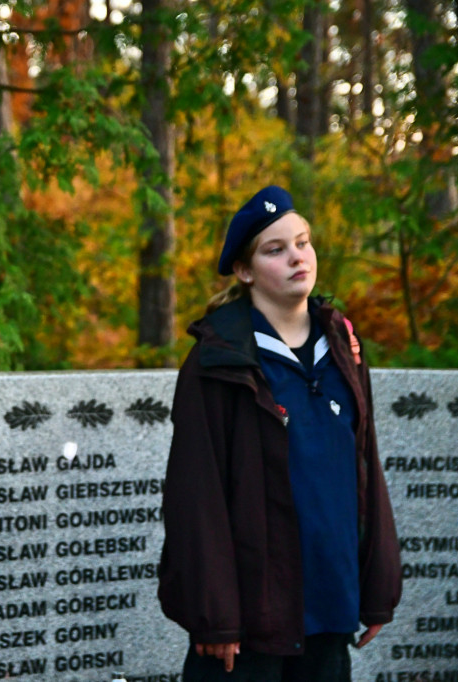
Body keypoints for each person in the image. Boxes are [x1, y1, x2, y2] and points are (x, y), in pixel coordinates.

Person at [157, 185, 401, 682]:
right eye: (275, 249)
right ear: (245, 272)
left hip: (329, 607)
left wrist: (378, 591)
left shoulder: (342, 348)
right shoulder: (217, 360)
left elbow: (365, 470)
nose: (297, 256)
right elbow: (195, 495)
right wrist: (215, 616)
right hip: (248, 622)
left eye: (303, 242)